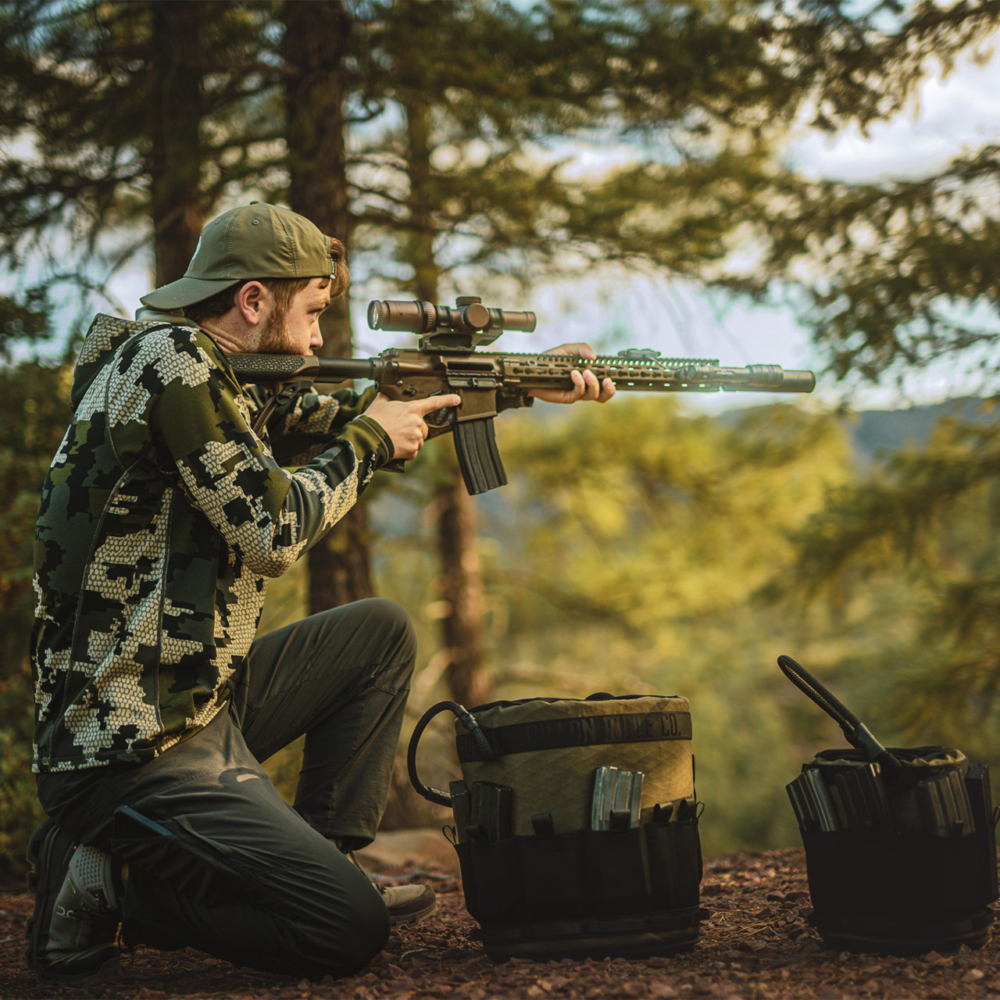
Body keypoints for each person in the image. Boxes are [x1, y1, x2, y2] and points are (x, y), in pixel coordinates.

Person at [25, 202, 615, 983]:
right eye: (311, 312)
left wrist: (524, 384)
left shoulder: (213, 372)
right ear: (253, 302)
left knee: (379, 633)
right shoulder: (174, 363)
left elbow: (346, 414)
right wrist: (370, 444)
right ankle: (117, 885)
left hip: (193, 699)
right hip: (127, 743)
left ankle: (314, 856)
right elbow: (272, 530)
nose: (316, 340)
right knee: (343, 929)